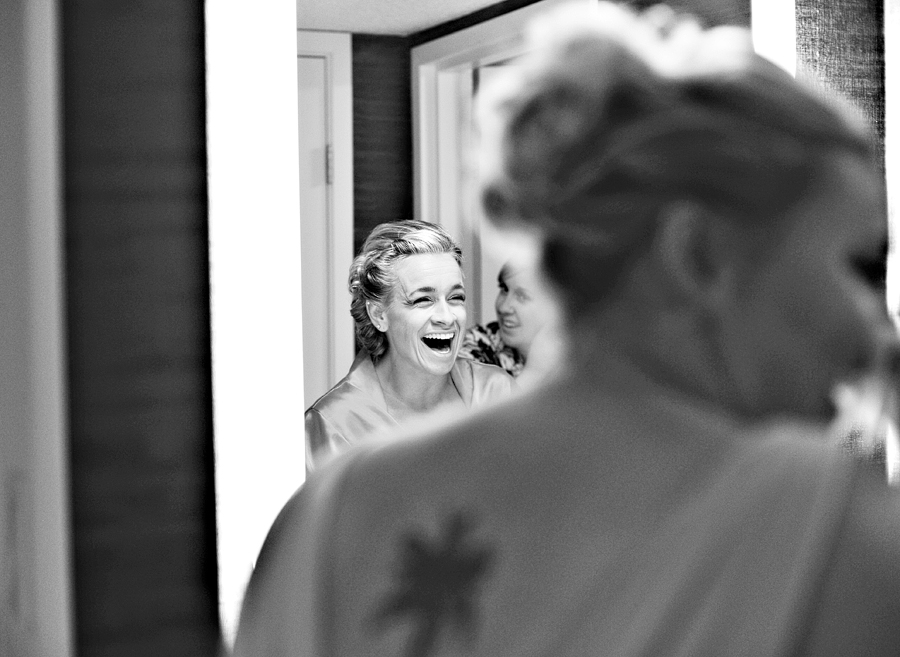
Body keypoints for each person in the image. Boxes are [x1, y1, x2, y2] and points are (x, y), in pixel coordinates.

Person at [236, 3, 900, 655]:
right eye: (861, 266)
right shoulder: (828, 533)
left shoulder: (336, 517)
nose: (878, 325)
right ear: (697, 254)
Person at [305, 219, 515, 472]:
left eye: (455, 297)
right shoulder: (333, 424)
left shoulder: (498, 393)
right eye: (423, 300)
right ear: (378, 315)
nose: (446, 317)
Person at [458, 259, 564, 384]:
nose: (504, 307)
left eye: (522, 296)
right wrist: (534, 371)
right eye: (504, 289)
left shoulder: (583, 355)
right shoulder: (478, 344)